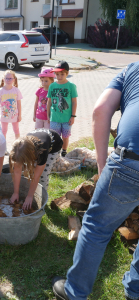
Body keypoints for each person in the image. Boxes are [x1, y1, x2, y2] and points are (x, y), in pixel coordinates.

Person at [52, 62, 139, 300]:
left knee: (96, 228)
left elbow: (100, 110)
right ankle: (135, 290)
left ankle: (74, 293)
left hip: (132, 160)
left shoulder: (132, 68)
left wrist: (102, 167)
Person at [9, 129, 63, 209]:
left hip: (54, 147)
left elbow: (37, 176)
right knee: (32, 169)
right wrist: (15, 193)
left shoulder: (42, 151)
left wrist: (30, 196)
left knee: (43, 174)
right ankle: (32, 192)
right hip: (35, 147)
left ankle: (42, 199)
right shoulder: (19, 149)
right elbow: (17, 171)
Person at [47, 61, 78, 157]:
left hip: (67, 118)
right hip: (54, 118)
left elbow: (74, 102)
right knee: (54, 137)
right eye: (57, 74)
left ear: (67, 73)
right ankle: (55, 153)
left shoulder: (71, 86)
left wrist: (72, 116)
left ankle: (64, 151)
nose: (59, 76)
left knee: (65, 136)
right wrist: (48, 115)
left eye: (62, 74)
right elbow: (49, 101)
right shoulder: (52, 86)